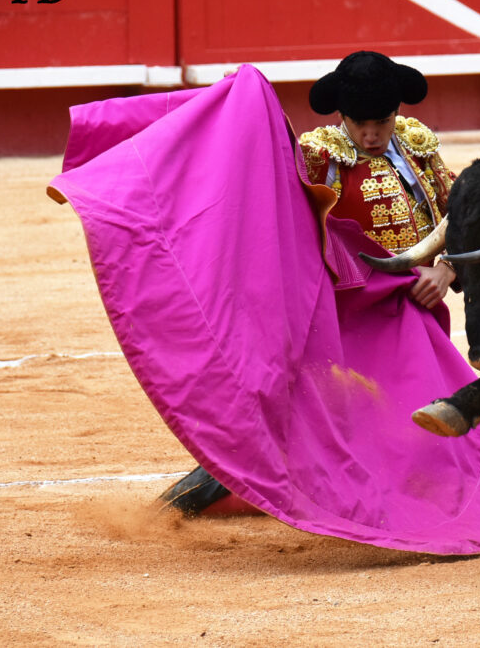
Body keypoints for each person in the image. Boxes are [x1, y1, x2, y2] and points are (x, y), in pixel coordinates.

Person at [157, 51, 458, 516]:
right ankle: (189, 498)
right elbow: (265, 203)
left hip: (413, 311)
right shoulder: (320, 156)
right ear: (342, 116)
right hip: (344, 314)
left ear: (397, 113)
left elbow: (462, 213)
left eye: (382, 121)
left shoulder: (418, 146)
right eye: (360, 123)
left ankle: (402, 511)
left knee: (412, 415)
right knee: (301, 417)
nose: (372, 135)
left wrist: (447, 268)